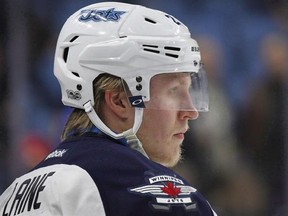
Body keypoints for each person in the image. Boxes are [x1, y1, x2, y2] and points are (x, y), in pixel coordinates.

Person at [0, 2, 217, 215]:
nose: (191, 111)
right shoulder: (157, 195)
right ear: (119, 101)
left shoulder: (13, 194)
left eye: (189, 90)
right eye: (174, 91)